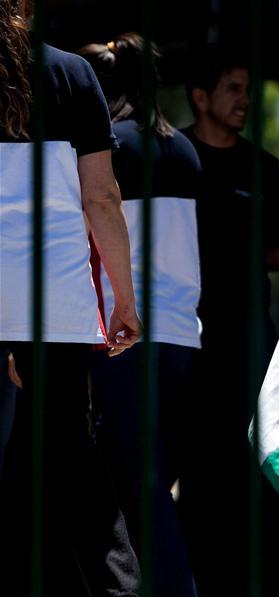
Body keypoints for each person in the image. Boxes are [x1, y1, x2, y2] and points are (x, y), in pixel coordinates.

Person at [0, 0, 142, 595]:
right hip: (50, 303)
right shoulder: (70, 73)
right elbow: (102, 198)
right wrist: (124, 300)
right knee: (75, 468)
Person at [177, 48, 279, 596]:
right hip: (184, 336)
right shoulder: (174, 159)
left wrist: (242, 249)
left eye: (248, 91)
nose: (244, 101)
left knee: (255, 461)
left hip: (252, 339)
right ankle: (195, 571)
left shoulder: (265, 169)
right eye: (233, 89)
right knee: (197, 465)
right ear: (200, 97)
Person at [79, 33, 202, 597]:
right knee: (143, 483)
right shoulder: (183, 149)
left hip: (128, 339)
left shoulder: (113, 149)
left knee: (141, 489)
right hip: (183, 338)